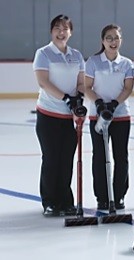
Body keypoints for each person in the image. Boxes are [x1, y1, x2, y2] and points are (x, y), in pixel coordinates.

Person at [33, 14, 85, 217]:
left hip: (68, 117)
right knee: (51, 158)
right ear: (51, 31)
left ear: (70, 32)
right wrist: (66, 98)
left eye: (65, 28)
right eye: (57, 28)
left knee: (66, 159)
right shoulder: (44, 53)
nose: (61, 32)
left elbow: (81, 82)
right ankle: (49, 201)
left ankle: (65, 200)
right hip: (48, 114)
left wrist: (78, 97)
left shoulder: (76, 55)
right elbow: (43, 82)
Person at [83, 24, 134, 211]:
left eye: (116, 38)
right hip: (98, 116)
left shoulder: (127, 64)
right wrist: (98, 103)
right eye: (109, 38)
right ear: (103, 41)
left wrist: (114, 104)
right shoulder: (93, 62)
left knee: (121, 156)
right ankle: (102, 197)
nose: (113, 42)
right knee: (100, 156)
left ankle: (119, 195)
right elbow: (88, 87)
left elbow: (128, 88)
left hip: (120, 116)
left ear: (121, 40)